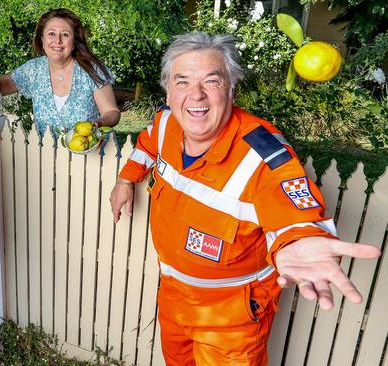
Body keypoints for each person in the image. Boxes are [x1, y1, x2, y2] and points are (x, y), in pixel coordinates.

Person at [109, 32, 381, 365]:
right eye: (182, 82)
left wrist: (300, 239)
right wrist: (126, 178)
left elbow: (292, 207)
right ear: (168, 89)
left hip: (232, 315)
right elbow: (147, 146)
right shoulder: (166, 122)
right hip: (173, 294)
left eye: (212, 81)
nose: (195, 95)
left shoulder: (263, 152)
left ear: (232, 88)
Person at [0, 8, 120, 134]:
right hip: (44, 152)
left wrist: (97, 124)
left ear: (74, 42)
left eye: (65, 34)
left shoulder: (92, 69)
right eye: (51, 34)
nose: (57, 40)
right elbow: (1, 85)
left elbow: (111, 112)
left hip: (88, 151)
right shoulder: (33, 70)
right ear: (42, 40)